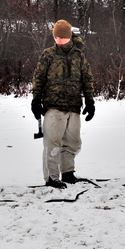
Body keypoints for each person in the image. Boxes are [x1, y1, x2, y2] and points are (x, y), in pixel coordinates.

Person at [31, 20, 95, 189]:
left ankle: (68, 172)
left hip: (74, 106)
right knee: (52, 143)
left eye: (63, 38)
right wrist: (36, 100)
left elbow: (87, 79)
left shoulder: (79, 56)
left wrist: (90, 100)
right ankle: (51, 178)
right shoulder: (48, 55)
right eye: (56, 38)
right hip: (54, 106)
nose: (59, 41)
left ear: (69, 38)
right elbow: (39, 79)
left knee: (73, 142)